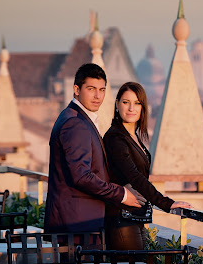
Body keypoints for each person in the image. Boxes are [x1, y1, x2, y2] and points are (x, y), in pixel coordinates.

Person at [44, 64, 144, 233]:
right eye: (91, 89)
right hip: (77, 223)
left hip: (77, 220)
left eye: (102, 90)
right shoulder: (75, 123)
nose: (98, 96)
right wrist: (122, 194)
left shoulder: (72, 116)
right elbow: (82, 176)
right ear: (77, 89)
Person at [103, 81, 193, 250]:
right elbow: (134, 176)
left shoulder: (133, 137)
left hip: (134, 216)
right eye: (125, 102)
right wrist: (166, 203)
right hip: (121, 218)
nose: (131, 108)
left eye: (137, 103)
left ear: (143, 108)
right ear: (117, 105)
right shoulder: (115, 138)